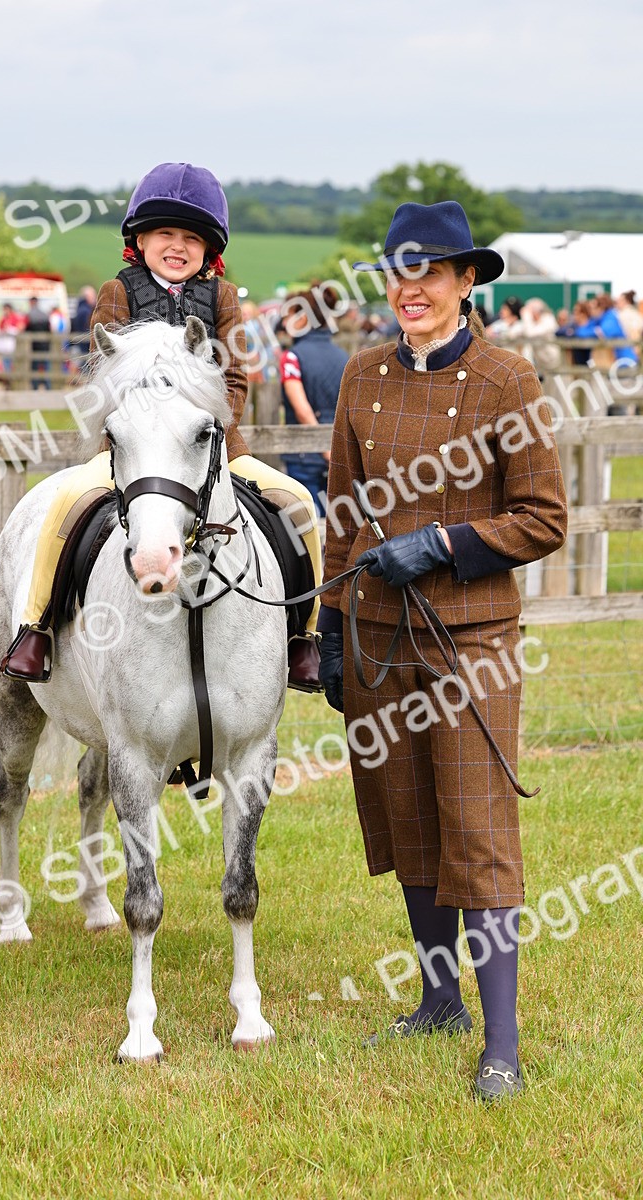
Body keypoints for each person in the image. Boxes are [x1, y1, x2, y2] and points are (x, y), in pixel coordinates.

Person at [318, 201, 568, 1100]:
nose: (410, 288)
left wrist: (445, 544)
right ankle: (438, 1000)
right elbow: (344, 513)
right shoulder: (363, 374)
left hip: (471, 643)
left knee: (476, 828)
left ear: (467, 283)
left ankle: (500, 1042)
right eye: (399, 272)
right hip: (381, 641)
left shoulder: (508, 380)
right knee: (408, 819)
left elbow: (544, 518)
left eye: (430, 273)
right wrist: (332, 628)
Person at [0, 162, 323, 691]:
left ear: (208, 248)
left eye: (191, 237)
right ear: (141, 239)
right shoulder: (117, 291)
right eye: (166, 234)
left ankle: (303, 638)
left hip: (212, 447)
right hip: (130, 450)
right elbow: (107, 375)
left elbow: (236, 376)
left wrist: (210, 432)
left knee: (298, 503)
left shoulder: (222, 297)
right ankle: (36, 629)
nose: (177, 246)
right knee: (64, 506)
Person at [279, 284, 349, 516]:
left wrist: (321, 447)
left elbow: (302, 410)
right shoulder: (345, 357)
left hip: (304, 455)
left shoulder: (292, 357)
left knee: (306, 526)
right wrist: (334, 452)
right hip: (338, 453)